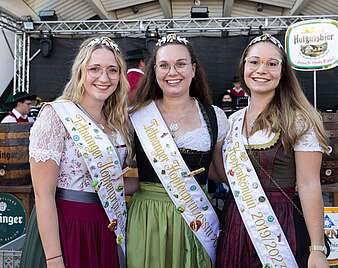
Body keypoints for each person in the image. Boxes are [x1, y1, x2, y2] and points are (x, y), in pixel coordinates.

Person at [19, 36, 133, 268]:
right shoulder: (56, 115)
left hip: (106, 224)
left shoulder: (117, 120)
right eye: (95, 69)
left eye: (112, 70)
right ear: (80, 72)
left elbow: (109, 182)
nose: (104, 77)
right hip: (67, 227)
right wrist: (53, 259)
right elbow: (43, 195)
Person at [217, 33, 329, 268]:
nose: (261, 70)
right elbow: (223, 175)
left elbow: (309, 184)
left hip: (280, 226)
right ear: (244, 66)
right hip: (237, 222)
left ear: (283, 71)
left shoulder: (299, 120)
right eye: (254, 62)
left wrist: (317, 249)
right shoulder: (233, 121)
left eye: (272, 63)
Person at [127, 33, 229, 268]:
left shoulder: (215, 117)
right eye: (164, 65)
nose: (172, 72)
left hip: (196, 219)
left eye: (180, 64)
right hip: (147, 220)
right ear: (155, 72)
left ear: (193, 69)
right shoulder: (136, 116)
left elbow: (220, 173)